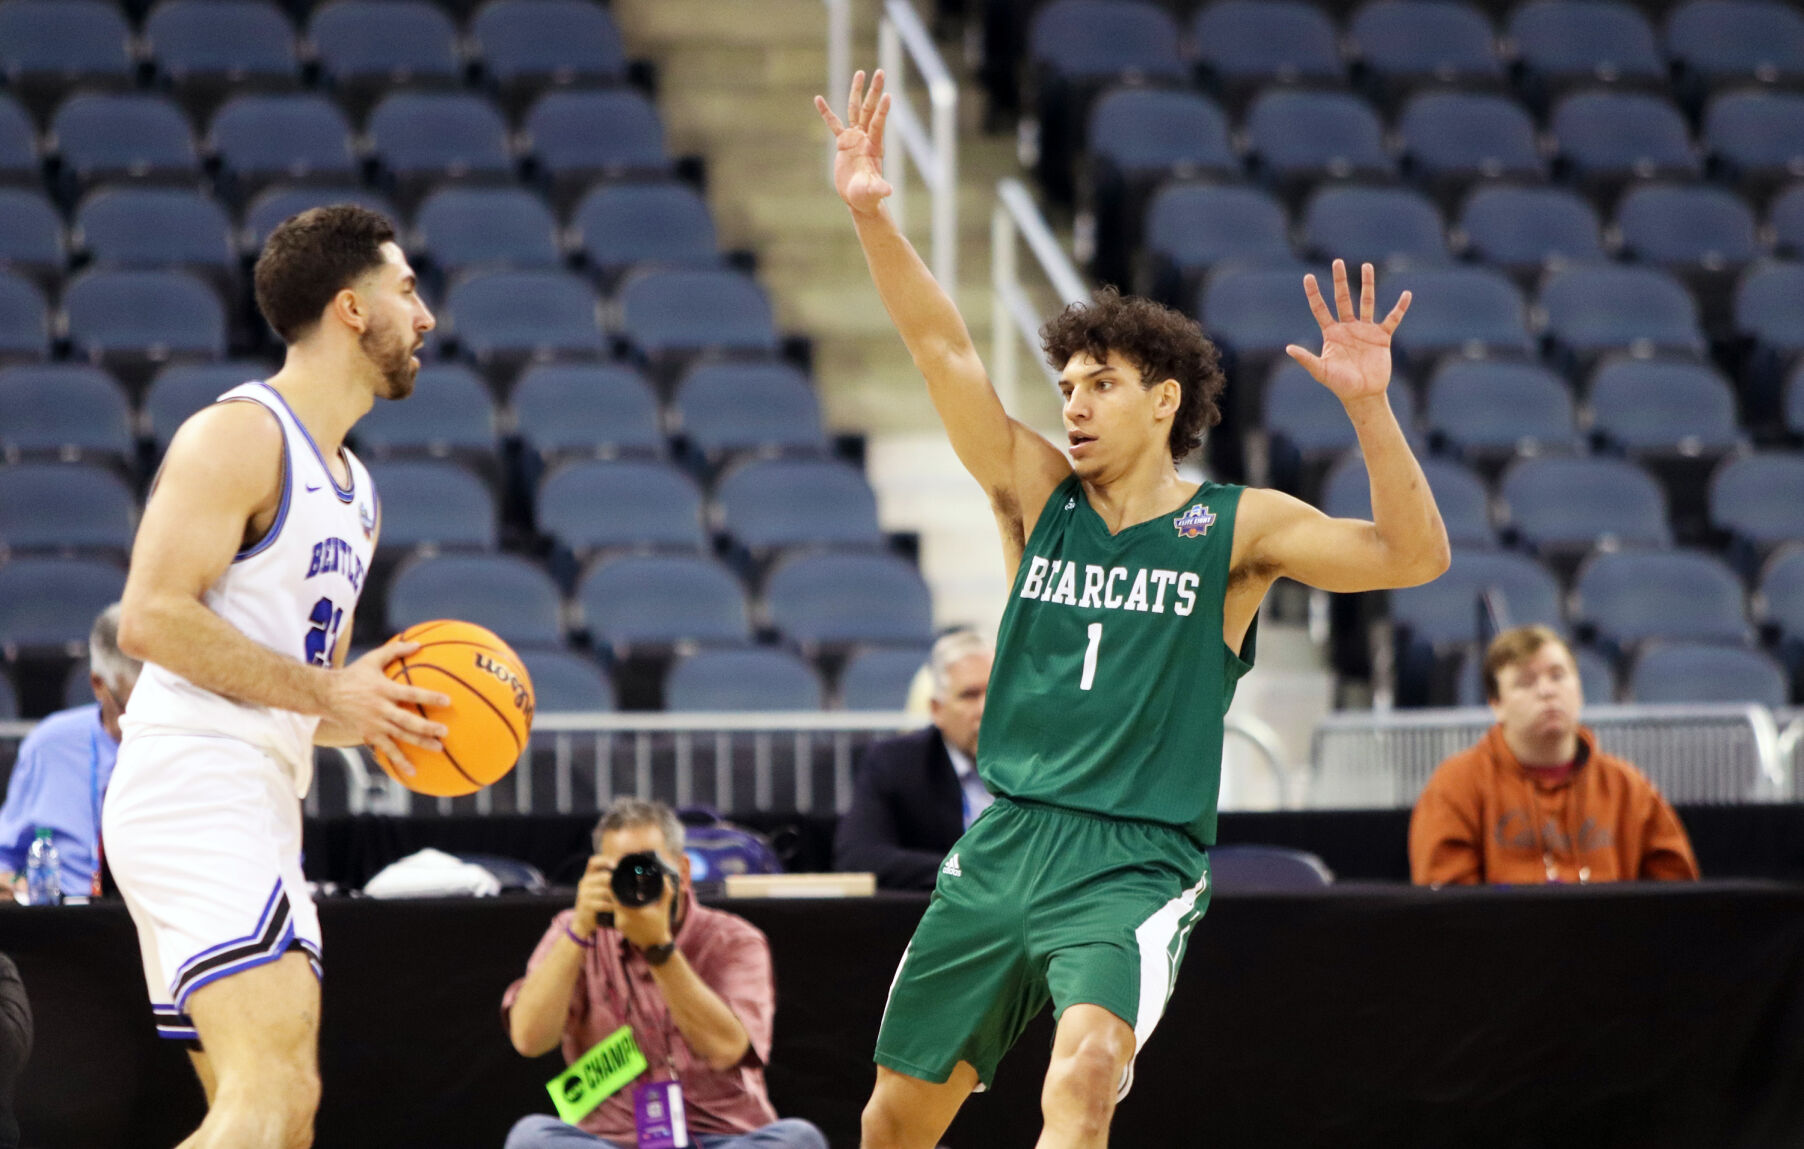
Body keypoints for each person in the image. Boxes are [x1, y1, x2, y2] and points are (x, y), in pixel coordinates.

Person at [816, 71, 1450, 1149]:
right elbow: (943, 350)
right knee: (893, 1120)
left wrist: (1368, 409)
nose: (1070, 402)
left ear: (1164, 401)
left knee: (1090, 1071)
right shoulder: (1036, 496)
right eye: (1063, 383)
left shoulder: (1235, 531)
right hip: (1009, 837)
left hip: (1134, 860)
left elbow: (1409, 556)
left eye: (1097, 383)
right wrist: (873, 212)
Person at [102, 204, 448, 1149]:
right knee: (274, 1100)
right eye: (407, 290)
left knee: (270, 1120)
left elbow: (295, 690)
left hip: (255, 786)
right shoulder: (241, 435)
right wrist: (328, 694)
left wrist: (368, 710)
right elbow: (150, 616)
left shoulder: (358, 490)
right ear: (349, 307)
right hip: (197, 783)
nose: (426, 316)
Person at [502, 798, 827, 1149]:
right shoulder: (572, 930)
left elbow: (727, 1050)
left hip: (721, 1137)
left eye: (648, 867)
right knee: (530, 1137)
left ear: (683, 871)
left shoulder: (734, 939)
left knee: (799, 1139)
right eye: (622, 871)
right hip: (610, 1140)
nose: (637, 881)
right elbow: (529, 1039)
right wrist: (579, 931)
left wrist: (660, 950)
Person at [1409, 625, 1700, 885]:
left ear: (1580, 691)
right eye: (1526, 682)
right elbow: (1446, 907)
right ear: (1496, 704)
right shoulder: (1456, 785)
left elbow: (1675, 897)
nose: (1547, 691)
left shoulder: (1627, 786)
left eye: (1558, 676)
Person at [834, 629, 995, 889]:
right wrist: (967, 871)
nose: (985, 709)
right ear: (937, 710)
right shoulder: (895, 764)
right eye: (969, 695)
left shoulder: (1035, 763)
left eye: (995, 692)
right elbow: (858, 857)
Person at [0, 603, 140, 901]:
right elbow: (5, 856)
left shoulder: (188, 745)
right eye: (131, 706)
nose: (142, 718)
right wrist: (12, 882)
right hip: (65, 923)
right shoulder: (49, 746)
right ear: (98, 685)